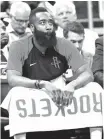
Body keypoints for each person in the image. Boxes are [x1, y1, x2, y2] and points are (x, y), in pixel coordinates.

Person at [1, 7, 93, 139]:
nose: (48, 27)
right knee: (16, 93)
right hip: (31, 107)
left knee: (94, 88)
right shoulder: (18, 46)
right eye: (42, 23)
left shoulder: (64, 44)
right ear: (32, 28)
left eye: (50, 22)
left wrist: (73, 85)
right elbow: (12, 79)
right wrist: (41, 84)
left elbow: (87, 74)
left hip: (60, 108)